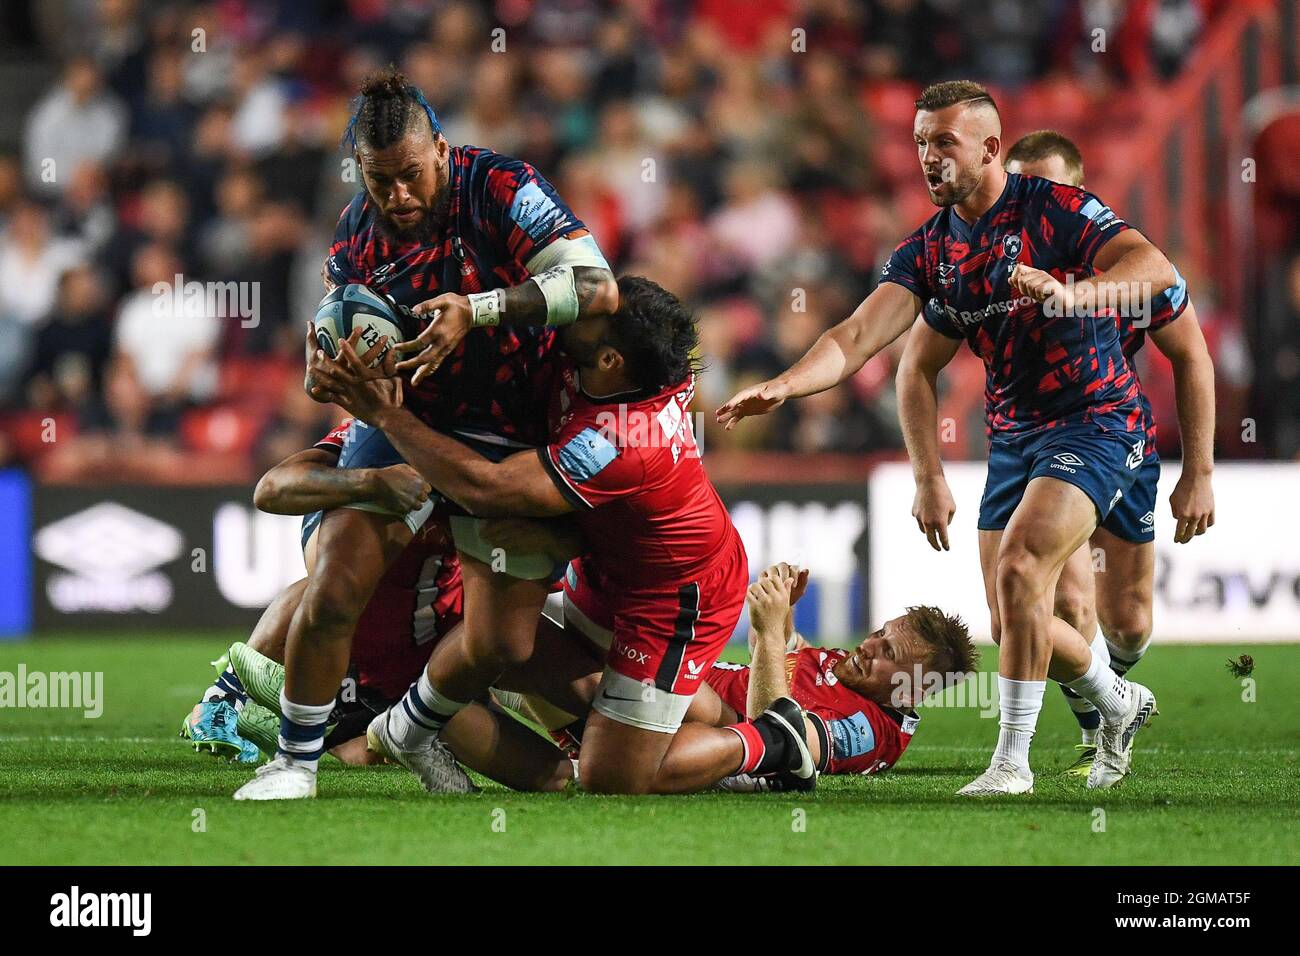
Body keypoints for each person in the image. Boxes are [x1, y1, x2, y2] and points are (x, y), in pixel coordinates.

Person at [717, 80, 1174, 795]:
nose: (929, 158)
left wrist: (1075, 293)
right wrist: (788, 384)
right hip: (1014, 437)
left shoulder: (1053, 209)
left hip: (1097, 418)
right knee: (1011, 611)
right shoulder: (931, 251)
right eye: (920, 144)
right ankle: (1117, 703)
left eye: (944, 143)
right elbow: (859, 337)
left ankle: (1012, 763)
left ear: (992, 148)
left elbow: (1154, 268)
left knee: (1027, 568)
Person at [235, 67, 619, 800]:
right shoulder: (355, 235)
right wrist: (327, 371)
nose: (399, 197)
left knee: (504, 642)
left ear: (441, 149)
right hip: (409, 418)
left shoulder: (501, 189)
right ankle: (294, 762)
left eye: (411, 175)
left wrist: (478, 311)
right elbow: (335, 333)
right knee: (338, 579)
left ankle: (411, 723)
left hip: (519, 423)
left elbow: (599, 288)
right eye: (381, 182)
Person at [312, 275, 817, 795]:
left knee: (612, 777)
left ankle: (771, 740)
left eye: (592, 317)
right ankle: (642, 721)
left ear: (610, 361)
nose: (577, 311)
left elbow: (489, 489)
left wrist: (385, 416)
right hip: (608, 564)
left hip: (673, 599)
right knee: (509, 643)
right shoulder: (630, 369)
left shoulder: (619, 441)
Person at [1001, 130, 1215, 775]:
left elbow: (1191, 358)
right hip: (1038, 445)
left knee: (1127, 620)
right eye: (1020, 188)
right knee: (1058, 602)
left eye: (1047, 188)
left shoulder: (1130, 268)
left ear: (1079, 192)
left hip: (1117, 441)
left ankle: (1118, 689)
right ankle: (1101, 722)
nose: (1031, 203)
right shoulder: (1000, 264)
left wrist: (1199, 473)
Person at [695, 563, 978, 789]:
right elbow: (781, 659)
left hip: (710, 725)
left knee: (667, 677)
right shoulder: (855, 674)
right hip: (699, 688)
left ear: (908, 692)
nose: (867, 646)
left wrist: (769, 631)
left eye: (888, 653)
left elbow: (778, 739)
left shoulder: (866, 731)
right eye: (880, 633)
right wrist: (782, 606)